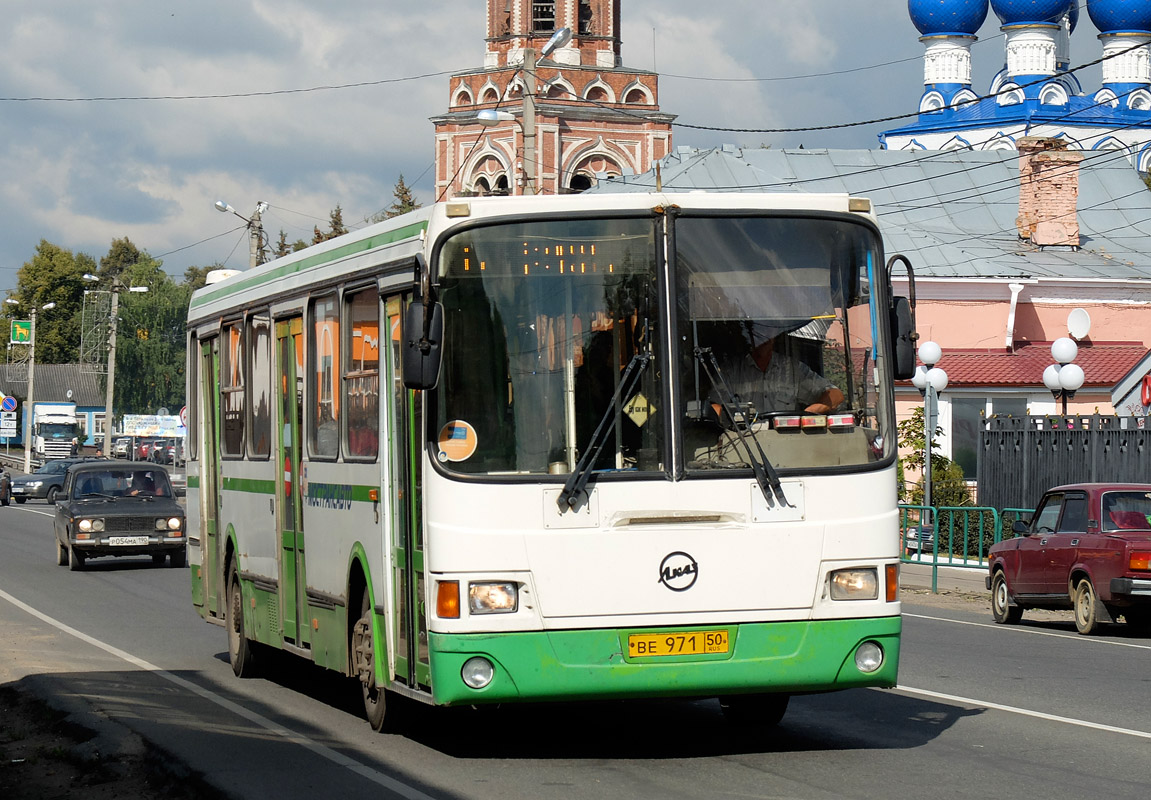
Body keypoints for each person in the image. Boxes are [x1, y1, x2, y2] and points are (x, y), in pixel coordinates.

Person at [711, 323, 845, 418]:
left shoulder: (793, 370)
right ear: (749, 337)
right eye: (758, 333)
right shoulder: (731, 371)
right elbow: (713, 407)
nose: (763, 338)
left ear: (775, 337)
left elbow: (835, 395)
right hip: (742, 446)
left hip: (788, 445)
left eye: (767, 332)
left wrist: (810, 413)